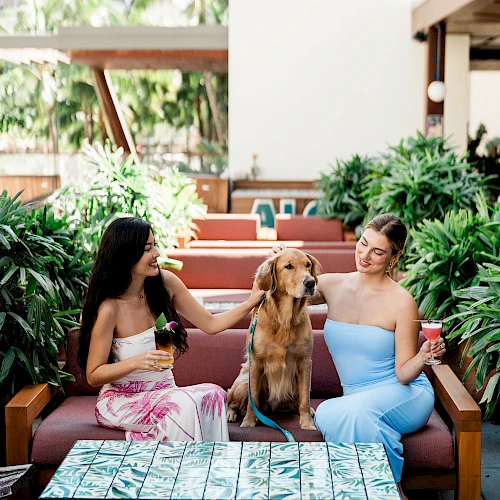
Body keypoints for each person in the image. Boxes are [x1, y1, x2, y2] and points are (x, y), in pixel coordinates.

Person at [78, 216, 265, 442]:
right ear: (126, 255)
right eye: (148, 249)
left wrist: (251, 301)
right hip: (122, 400)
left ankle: (211, 467)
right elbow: (93, 374)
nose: (156, 253)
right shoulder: (109, 308)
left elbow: (211, 324)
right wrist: (137, 361)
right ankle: (177, 471)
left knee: (214, 395)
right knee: (182, 406)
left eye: (154, 245)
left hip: (165, 392)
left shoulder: (165, 284)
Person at [311, 213, 445, 500]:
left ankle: (389, 491)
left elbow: (404, 373)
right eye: (363, 244)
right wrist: (280, 260)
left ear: (393, 258)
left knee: (350, 414)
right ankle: (387, 492)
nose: (365, 256)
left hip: (404, 393)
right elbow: (289, 290)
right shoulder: (332, 285)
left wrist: (423, 355)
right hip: (355, 398)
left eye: (378, 251)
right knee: (326, 412)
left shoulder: (402, 301)